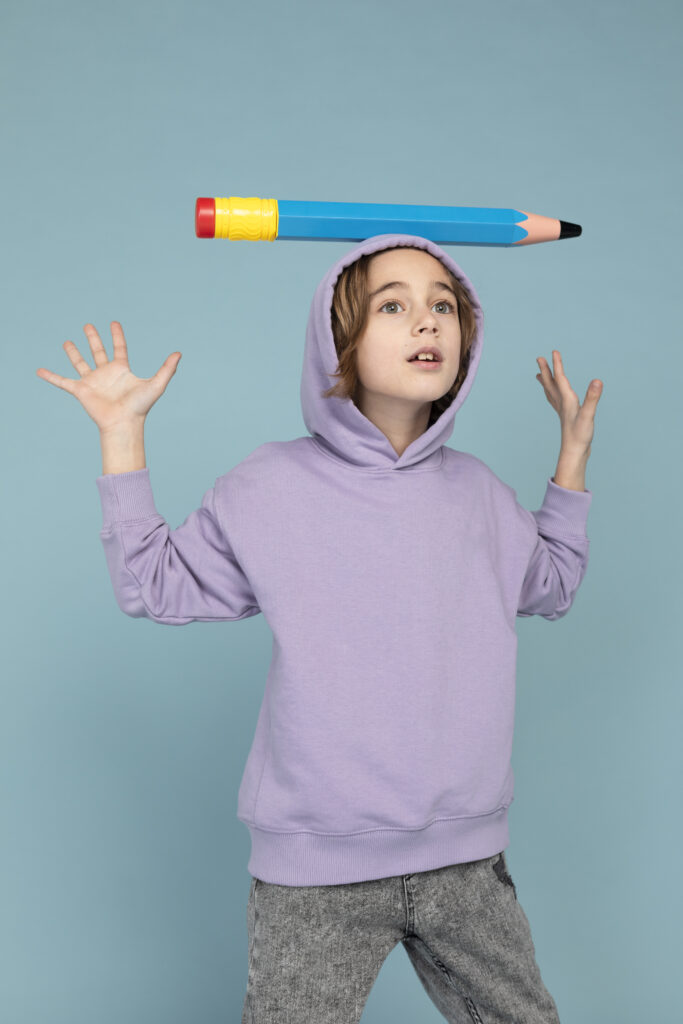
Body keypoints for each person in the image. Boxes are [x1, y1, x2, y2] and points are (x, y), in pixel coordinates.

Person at [36, 233, 603, 1023]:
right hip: (315, 870)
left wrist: (570, 460)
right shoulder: (268, 486)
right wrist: (120, 435)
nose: (427, 323)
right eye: (394, 306)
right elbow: (153, 586)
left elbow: (552, 584)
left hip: (465, 860)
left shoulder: (479, 494)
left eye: (443, 305)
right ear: (338, 342)